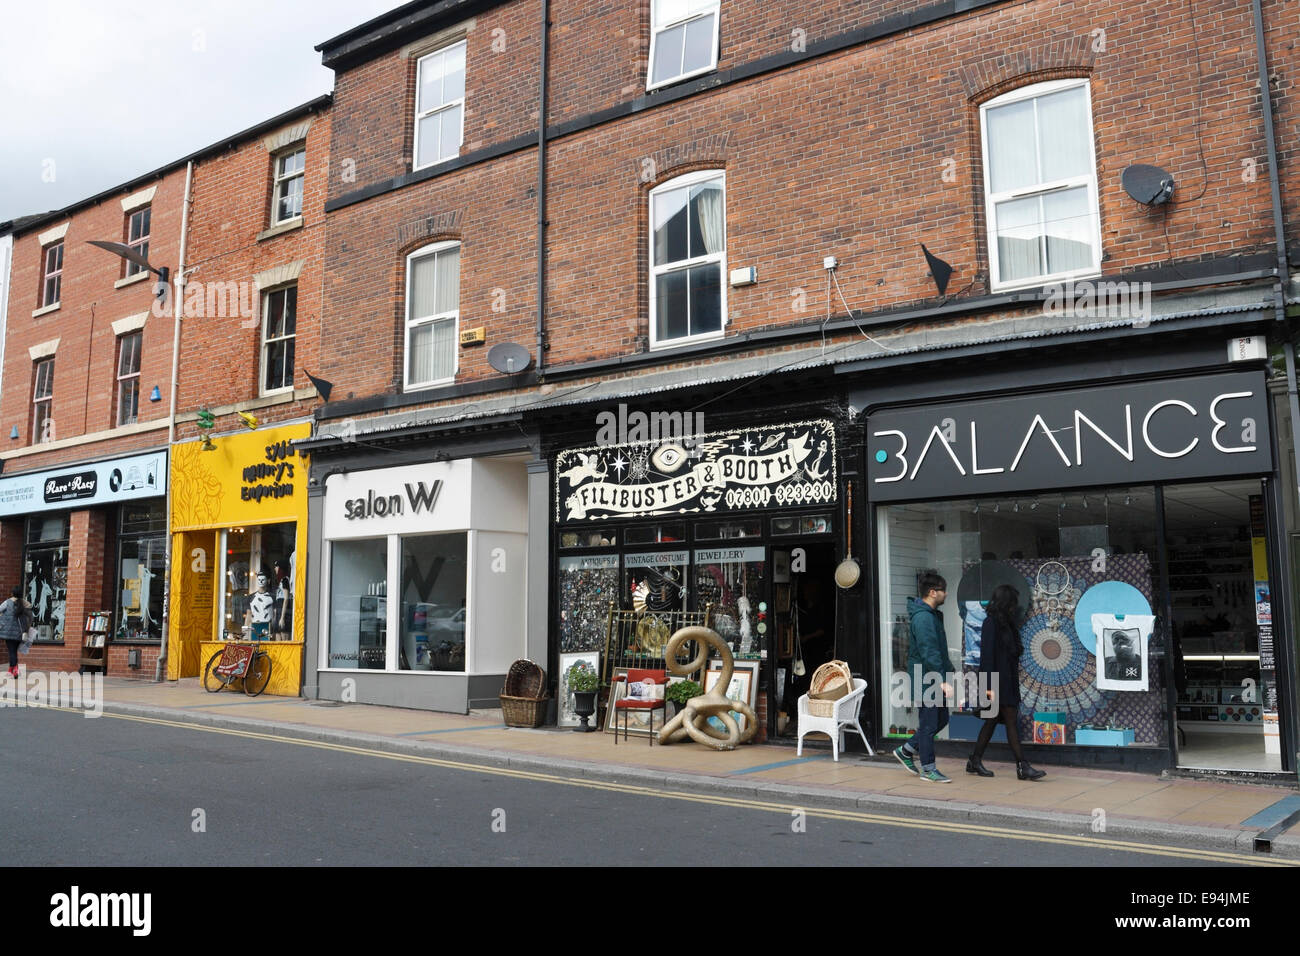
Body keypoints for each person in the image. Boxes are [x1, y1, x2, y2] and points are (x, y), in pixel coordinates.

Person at [967, 584, 1045, 781]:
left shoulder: (1007, 624)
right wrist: (987, 688)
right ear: (1005, 603)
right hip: (995, 682)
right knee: (1005, 720)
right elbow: (987, 657)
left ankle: (976, 760)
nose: (1014, 607)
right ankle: (1021, 766)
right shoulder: (990, 623)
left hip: (1007, 680)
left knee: (997, 721)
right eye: (1012, 603)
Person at [894, 571, 954, 783]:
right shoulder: (923, 618)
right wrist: (943, 679)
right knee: (928, 726)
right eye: (943, 591)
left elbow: (937, 650)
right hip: (926, 679)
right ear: (932, 592)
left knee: (942, 719)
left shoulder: (930, 616)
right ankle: (928, 769)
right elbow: (930, 651)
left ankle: (906, 749)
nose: (946, 594)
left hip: (931, 678)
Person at [0, 586, 33, 679]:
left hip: (9, 632)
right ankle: (11, 670)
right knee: (14, 651)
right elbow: (30, 617)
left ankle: (15, 671)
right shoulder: (25, 603)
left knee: (12, 652)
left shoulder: (7, 602)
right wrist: (27, 628)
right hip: (20, 633)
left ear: (12, 593)